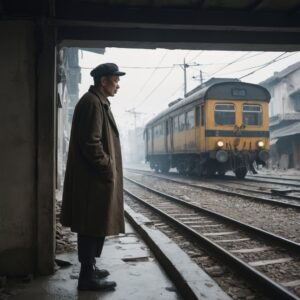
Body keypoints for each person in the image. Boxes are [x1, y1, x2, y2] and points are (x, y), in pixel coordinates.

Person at [60, 63, 126, 291]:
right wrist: (108, 167)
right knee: (90, 226)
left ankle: (91, 268)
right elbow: (91, 143)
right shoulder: (93, 103)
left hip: (94, 179)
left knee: (95, 224)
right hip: (93, 180)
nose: (118, 85)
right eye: (115, 80)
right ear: (104, 81)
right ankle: (87, 277)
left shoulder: (97, 101)